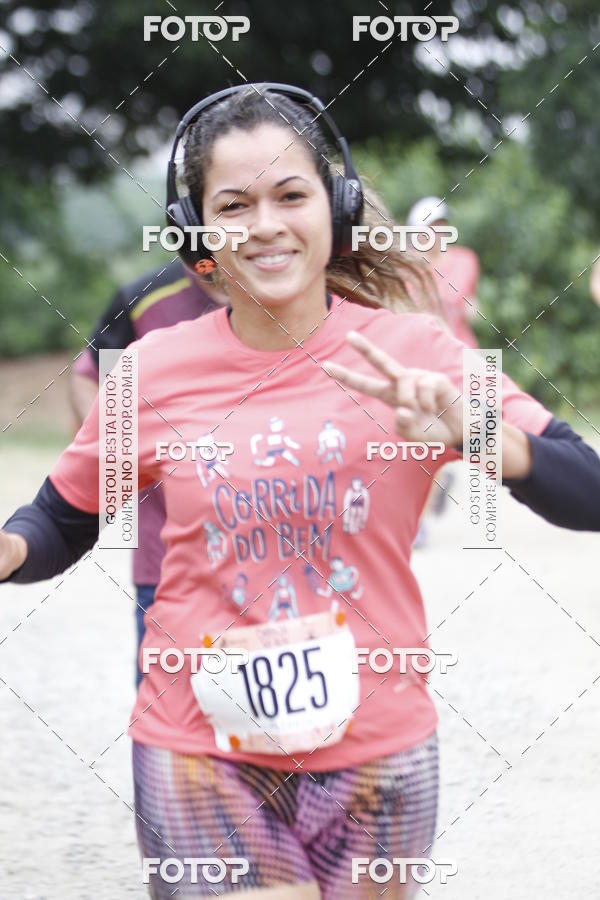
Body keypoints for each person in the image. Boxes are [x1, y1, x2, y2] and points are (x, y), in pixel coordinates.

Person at [2, 83, 600, 899]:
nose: (265, 224)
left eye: (291, 195)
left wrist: (481, 435)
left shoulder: (418, 354)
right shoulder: (152, 371)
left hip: (379, 751)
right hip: (196, 744)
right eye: (234, 205)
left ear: (336, 207)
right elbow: (62, 518)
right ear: (197, 229)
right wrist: (12, 548)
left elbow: (588, 490)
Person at [69, 261, 227, 684]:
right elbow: (90, 375)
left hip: (284, 560)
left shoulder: (300, 287)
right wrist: (121, 448)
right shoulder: (143, 297)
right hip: (166, 560)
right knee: (165, 699)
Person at [406, 196, 480, 348]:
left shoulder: (466, 259)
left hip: (463, 344)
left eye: (442, 225)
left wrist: (472, 309)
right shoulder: (408, 268)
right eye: (432, 227)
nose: (439, 232)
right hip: (427, 347)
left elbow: (471, 300)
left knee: (490, 363)